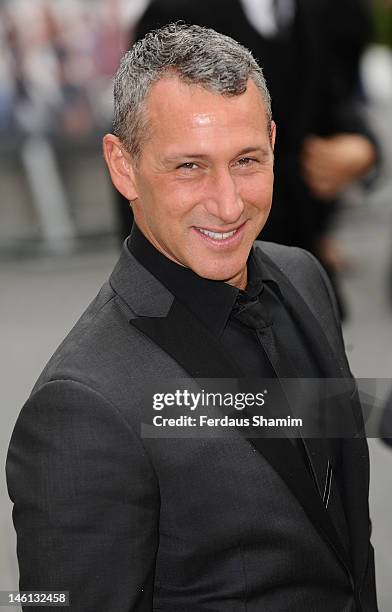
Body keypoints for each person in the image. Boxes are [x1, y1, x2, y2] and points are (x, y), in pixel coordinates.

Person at [6, 24, 377, 611]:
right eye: (189, 167)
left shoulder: (302, 276)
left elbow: (286, 418)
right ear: (122, 166)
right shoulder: (80, 409)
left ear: (274, 142)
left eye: (247, 159)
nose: (229, 204)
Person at [115, 0, 377, 319]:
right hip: (195, 301)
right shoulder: (173, 11)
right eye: (192, 166)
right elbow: (141, 142)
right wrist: (147, 302)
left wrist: (365, 148)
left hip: (301, 285)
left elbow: (334, 103)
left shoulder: (323, 12)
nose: (230, 205)